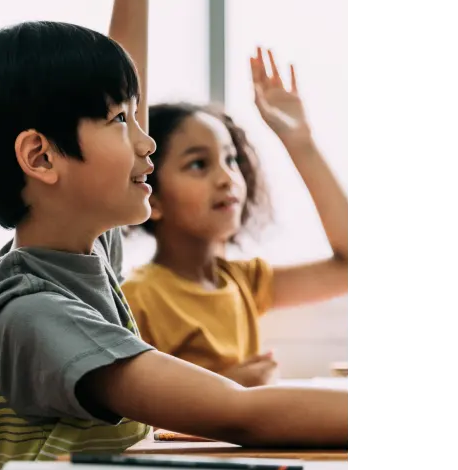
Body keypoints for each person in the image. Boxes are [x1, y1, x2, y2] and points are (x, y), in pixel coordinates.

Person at [0, 0, 348, 470]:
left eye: (135, 118)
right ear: (41, 157)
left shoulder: (81, 263)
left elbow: (120, 92)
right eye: (120, 122)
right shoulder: (35, 313)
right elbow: (239, 413)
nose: (146, 141)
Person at [122, 52, 348, 385]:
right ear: (152, 199)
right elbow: (136, 406)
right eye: (198, 164)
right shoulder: (139, 298)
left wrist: (300, 142)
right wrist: (232, 385)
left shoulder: (244, 282)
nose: (227, 178)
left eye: (230, 160)